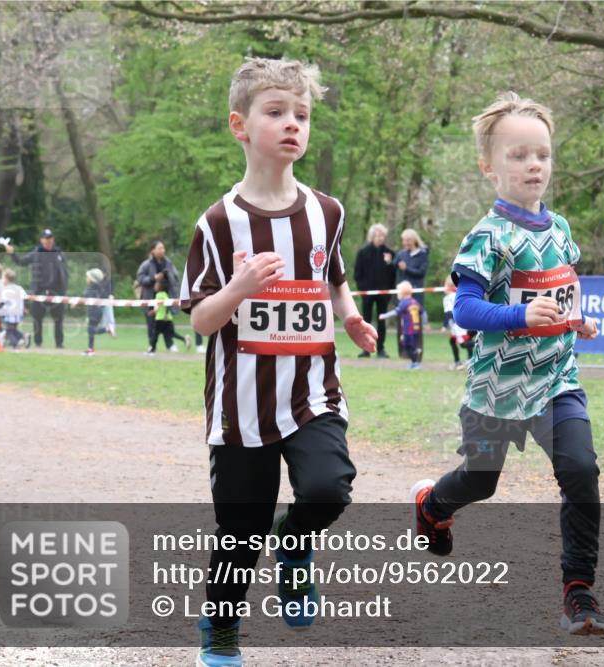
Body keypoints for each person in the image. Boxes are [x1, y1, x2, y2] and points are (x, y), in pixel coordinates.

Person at [178, 57, 376, 667]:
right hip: (241, 408)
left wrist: (348, 316)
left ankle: (294, 548)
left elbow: (334, 278)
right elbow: (199, 320)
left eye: (302, 114)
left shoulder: (328, 212)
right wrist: (237, 290)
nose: (293, 124)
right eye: (276, 112)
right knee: (240, 534)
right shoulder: (217, 223)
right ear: (240, 125)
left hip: (313, 391)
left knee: (328, 489)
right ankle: (222, 634)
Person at [408, 92, 604, 636]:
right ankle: (431, 505)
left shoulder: (561, 228)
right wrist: (521, 315)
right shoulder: (487, 236)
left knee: (581, 473)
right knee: (481, 481)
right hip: (498, 384)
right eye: (518, 155)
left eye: (541, 153)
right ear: (489, 166)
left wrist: (575, 321)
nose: (534, 165)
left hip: (556, 379)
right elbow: (464, 307)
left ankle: (579, 591)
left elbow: (564, 293)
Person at [5, 228, 69, 348]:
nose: (48, 241)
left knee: (58, 320)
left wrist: (64, 290)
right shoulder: (36, 253)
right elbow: (21, 262)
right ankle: (38, 343)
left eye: (50, 238)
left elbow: (65, 273)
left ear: (53, 239)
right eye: (45, 239)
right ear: (41, 240)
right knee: (37, 319)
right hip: (39, 292)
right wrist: (12, 253)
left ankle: (59, 344)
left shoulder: (59, 254)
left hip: (56, 292)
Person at [353, 223, 396, 358]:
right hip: (367, 293)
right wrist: (363, 289)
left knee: (381, 321)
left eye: (382, 235)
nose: (380, 238)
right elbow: (357, 274)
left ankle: (381, 348)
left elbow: (393, 275)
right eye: (378, 235)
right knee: (366, 321)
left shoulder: (390, 253)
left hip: (384, 294)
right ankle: (366, 349)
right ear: (372, 236)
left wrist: (389, 264)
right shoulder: (363, 252)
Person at [137, 240, 180, 353]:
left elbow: (176, 276)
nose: (163, 250)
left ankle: (170, 345)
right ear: (153, 250)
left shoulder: (168, 263)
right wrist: (153, 279)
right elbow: (140, 278)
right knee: (151, 323)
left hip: (166, 298)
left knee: (167, 323)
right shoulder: (146, 264)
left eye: (163, 248)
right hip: (151, 298)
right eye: (160, 248)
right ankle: (152, 346)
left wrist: (167, 276)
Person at [379, 281, 424, 369]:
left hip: (408, 329)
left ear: (403, 293)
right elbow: (422, 312)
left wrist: (384, 315)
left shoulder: (404, 303)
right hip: (416, 328)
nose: (397, 294)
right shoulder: (414, 302)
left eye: (398, 291)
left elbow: (396, 312)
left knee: (407, 345)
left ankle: (416, 360)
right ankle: (415, 356)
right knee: (409, 344)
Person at [148, 274, 190, 353]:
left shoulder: (159, 295)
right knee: (171, 334)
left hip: (161, 318)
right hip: (168, 319)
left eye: (156, 285)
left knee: (155, 334)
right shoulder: (165, 295)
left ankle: (152, 350)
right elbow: (164, 306)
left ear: (161, 287)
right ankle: (184, 339)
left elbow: (165, 305)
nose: (155, 286)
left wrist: (162, 314)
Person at [442, 275, 473, 370]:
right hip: (463, 323)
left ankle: (478, 346)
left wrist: (444, 326)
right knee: (453, 341)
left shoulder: (448, 298)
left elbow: (449, 313)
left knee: (463, 343)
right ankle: (463, 360)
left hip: (458, 325)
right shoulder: (459, 295)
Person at [394, 228, 429, 307]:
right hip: (403, 292)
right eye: (404, 240)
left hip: (416, 292)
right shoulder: (401, 254)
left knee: (415, 316)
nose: (406, 243)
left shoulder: (422, 255)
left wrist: (406, 269)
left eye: (408, 240)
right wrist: (388, 262)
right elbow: (393, 266)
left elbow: (421, 273)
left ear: (414, 240)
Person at [82, 268, 113, 356]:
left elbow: (86, 295)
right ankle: (90, 348)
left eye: (88, 277)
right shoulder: (98, 287)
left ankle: (107, 329)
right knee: (91, 330)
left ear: (92, 279)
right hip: (95, 311)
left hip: (94, 312)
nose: (86, 279)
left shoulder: (92, 288)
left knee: (91, 330)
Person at [0, 269, 27, 349]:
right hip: (18, 312)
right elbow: (24, 298)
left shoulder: (5, 290)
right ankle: (23, 336)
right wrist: (24, 308)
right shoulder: (19, 288)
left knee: (9, 330)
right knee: (12, 329)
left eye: (3, 278)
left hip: (9, 312)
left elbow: (2, 302)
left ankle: (16, 344)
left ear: (6, 279)